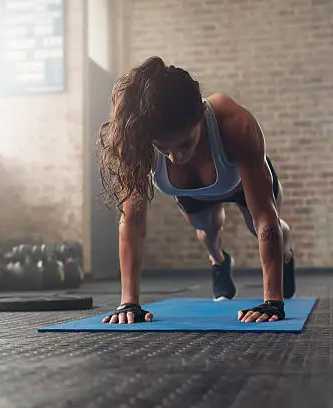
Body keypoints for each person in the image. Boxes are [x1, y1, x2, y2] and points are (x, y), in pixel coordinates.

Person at [97, 56, 295, 325]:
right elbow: (132, 222)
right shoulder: (138, 141)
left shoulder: (236, 124)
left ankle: (286, 254)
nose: (175, 158)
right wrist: (128, 303)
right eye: (163, 148)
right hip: (192, 192)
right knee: (208, 232)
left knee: (265, 230)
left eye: (183, 144)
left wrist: (273, 301)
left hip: (240, 181)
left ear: (201, 114)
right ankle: (219, 262)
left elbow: (264, 217)